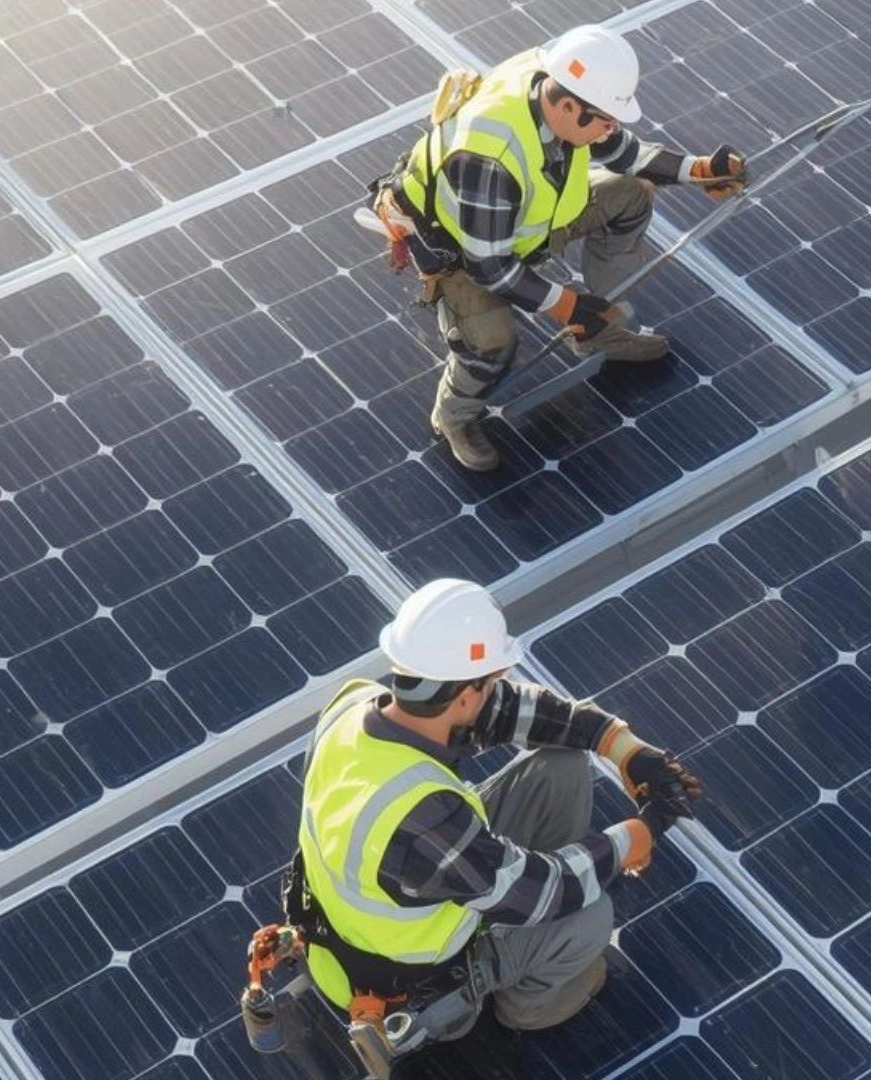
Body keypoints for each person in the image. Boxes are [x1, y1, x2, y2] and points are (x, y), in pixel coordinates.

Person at [290, 578, 701, 1071]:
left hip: (381, 900)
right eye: (488, 681)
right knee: (591, 916)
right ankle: (529, 1005)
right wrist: (635, 837)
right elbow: (541, 891)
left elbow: (505, 711)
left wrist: (616, 741)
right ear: (464, 695)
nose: (496, 690)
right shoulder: (422, 819)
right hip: (404, 983)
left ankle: (526, 935)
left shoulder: (352, 705)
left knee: (562, 764)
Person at [375, 23, 749, 472]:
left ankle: (598, 335)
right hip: (462, 249)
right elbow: (490, 267)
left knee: (632, 192)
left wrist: (701, 169)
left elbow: (625, 154)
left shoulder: (562, 88)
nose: (609, 130)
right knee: (491, 343)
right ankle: (454, 416)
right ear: (570, 106)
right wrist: (566, 305)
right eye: (605, 121)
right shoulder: (487, 152)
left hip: (527, 220)